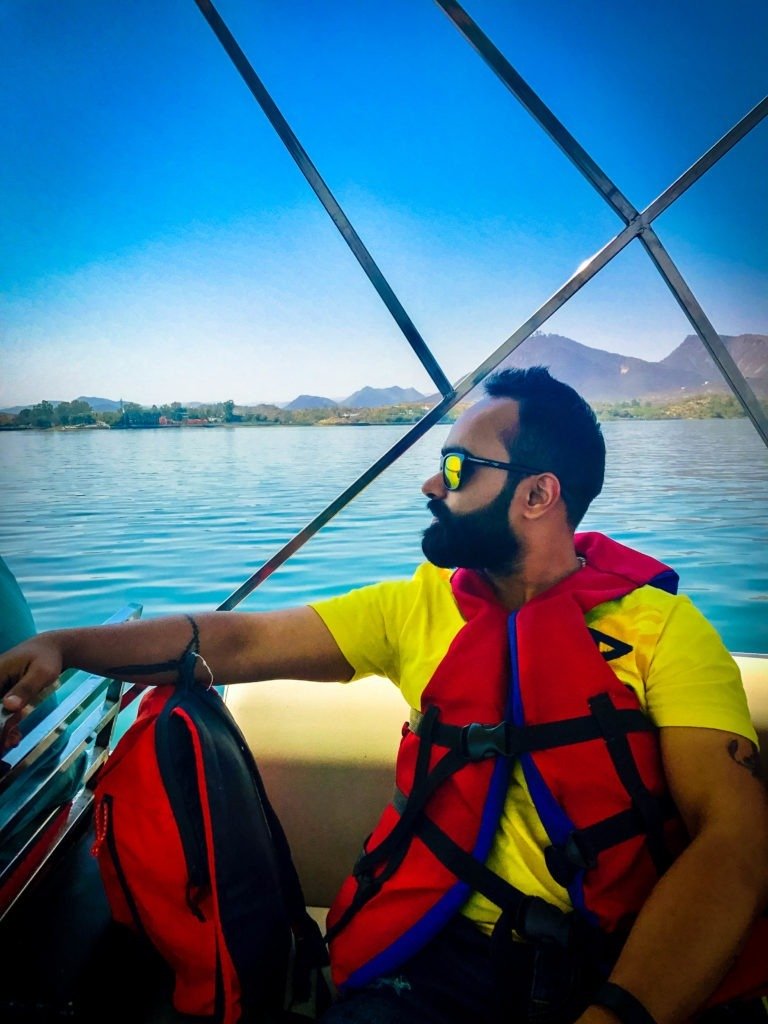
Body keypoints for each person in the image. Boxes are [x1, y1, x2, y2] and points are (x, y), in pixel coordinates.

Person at [1, 367, 766, 1024]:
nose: (432, 484)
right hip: (438, 956)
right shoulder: (415, 608)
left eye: (460, 469)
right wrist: (66, 645)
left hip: (620, 956)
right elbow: (239, 641)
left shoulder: (663, 631)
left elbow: (734, 840)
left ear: (537, 495)